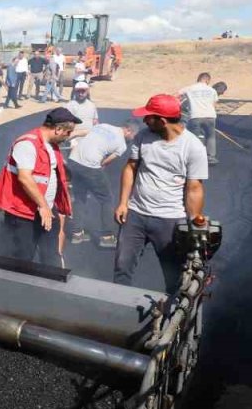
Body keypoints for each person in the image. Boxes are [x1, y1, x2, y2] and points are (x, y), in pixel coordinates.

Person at [113, 94, 209, 294]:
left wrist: (192, 224)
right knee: (122, 267)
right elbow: (130, 167)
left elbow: (194, 188)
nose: (144, 120)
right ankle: (117, 307)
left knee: (174, 273)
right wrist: (123, 203)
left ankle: (172, 319)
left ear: (162, 121)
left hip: (169, 220)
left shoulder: (193, 147)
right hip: (136, 214)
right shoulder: (142, 137)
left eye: (149, 117)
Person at [0, 108, 81, 266]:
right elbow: (25, 178)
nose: (68, 137)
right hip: (24, 214)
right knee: (23, 258)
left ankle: (50, 285)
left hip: (45, 210)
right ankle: (19, 288)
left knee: (50, 256)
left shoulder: (50, 144)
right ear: (58, 129)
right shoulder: (27, 144)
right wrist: (43, 205)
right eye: (68, 132)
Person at [67, 121, 137, 247]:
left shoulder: (103, 126)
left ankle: (77, 233)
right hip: (90, 166)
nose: (132, 139)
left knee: (80, 197)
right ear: (129, 131)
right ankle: (107, 237)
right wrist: (97, 169)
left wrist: (70, 135)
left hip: (73, 161)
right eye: (133, 136)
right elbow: (105, 162)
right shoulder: (122, 144)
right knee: (107, 199)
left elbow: (83, 132)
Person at [179, 72, 220, 164]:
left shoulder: (190, 88)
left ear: (199, 79)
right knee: (210, 136)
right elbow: (214, 105)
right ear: (207, 80)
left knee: (194, 137)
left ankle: (196, 158)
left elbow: (177, 94)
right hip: (210, 116)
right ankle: (211, 158)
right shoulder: (212, 90)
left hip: (195, 116)